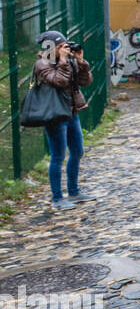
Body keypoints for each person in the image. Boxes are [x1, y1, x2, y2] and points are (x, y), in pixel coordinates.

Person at [33, 31, 94, 209]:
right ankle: (57, 199)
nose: (65, 49)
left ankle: (74, 192)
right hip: (54, 115)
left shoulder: (69, 61)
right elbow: (59, 80)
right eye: (60, 47)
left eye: (65, 45)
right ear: (50, 49)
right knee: (58, 156)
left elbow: (85, 81)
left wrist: (81, 62)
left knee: (77, 151)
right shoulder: (42, 64)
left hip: (71, 112)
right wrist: (62, 61)